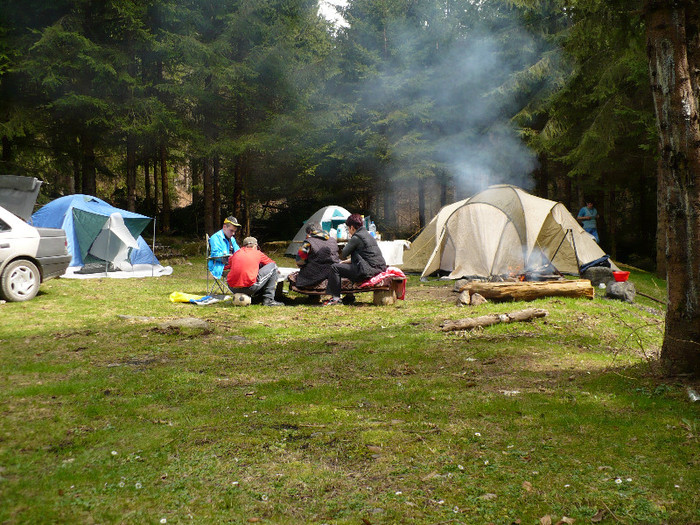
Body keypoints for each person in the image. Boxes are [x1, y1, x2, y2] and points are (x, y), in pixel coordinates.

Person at [324, 213, 387, 306]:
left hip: (368, 270)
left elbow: (343, 254)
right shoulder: (368, 235)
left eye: (348, 228)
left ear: (352, 227)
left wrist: (349, 241)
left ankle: (335, 298)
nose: (348, 231)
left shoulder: (357, 237)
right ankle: (349, 296)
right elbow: (365, 256)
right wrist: (347, 261)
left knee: (334, 268)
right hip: (378, 267)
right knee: (347, 267)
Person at [226, 237, 284, 306]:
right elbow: (271, 263)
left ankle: (256, 297)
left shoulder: (236, 254)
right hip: (250, 288)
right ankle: (268, 300)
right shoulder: (257, 253)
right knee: (273, 267)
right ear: (255, 245)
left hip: (232, 288)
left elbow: (227, 266)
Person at [295, 222, 340, 288]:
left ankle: (313, 296)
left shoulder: (308, 242)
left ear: (310, 232)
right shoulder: (333, 240)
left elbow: (300, 260)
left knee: (302, 273)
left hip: (316, 272)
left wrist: (301, 265)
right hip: (334, 269)